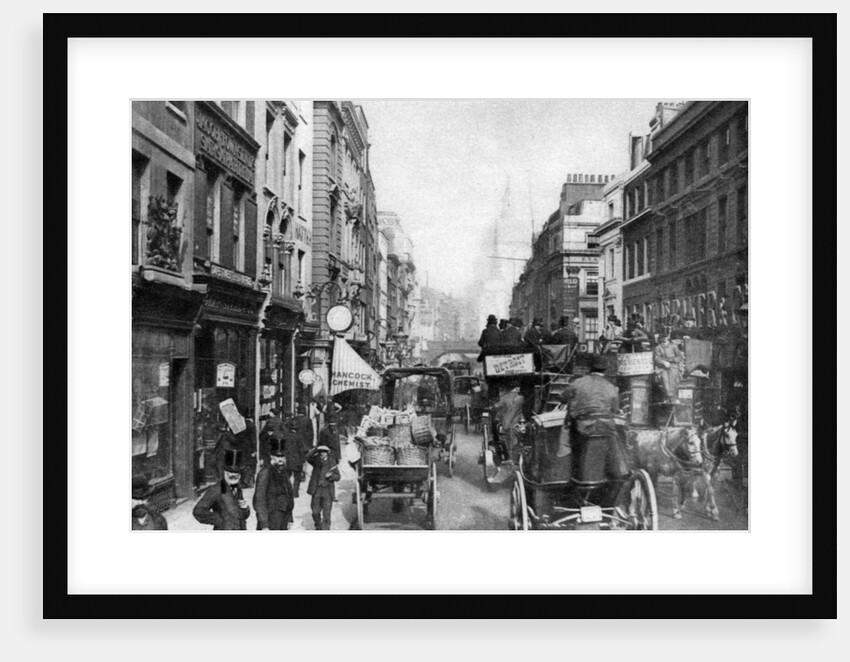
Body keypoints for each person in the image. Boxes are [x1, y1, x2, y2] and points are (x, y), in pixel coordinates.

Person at [560, 353, 629, 481]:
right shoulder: (612, 388)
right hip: (606, 427)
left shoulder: (578, 383)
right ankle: (618, 471)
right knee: (615, 443)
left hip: (583, 427)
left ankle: (568, 469)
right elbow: (615, 408)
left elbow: (563, 396)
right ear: (605, 369)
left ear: (589, 368)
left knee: (568, 438)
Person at [192, 448, 251, 530]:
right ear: (224, 473)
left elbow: (241, 516)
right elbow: (198, 511)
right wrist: (220, 520)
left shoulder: (238, 488)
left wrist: (245, 508)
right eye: (230, 473)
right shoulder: (216, 489)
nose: (233, 475)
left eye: (236, 473)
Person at [253, 436, 294, 530]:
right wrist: (264, 525)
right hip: (269, 521)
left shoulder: (284, 472)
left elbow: (288, 497)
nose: (281, 459)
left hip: (283, 520)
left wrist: (289, 518)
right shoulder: (265, 473)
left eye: (282, 456)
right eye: (278, 456)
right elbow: (259, 501)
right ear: (271, 456)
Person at [306, 445, 341, 530]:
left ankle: (325, 530)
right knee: (315, 512)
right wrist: (316, 448)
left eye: (324, 451)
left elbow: (338, 476)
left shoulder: (332, 462)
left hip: (327, 491)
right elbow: (307, 457)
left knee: (326, 514)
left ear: (327, 453)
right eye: (321, 451)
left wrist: (331, 476)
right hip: (316, 490)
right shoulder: (316, 461)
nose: (322, 453)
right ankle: (318, 526)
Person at [495, 381, 525, 463]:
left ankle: (511, 458)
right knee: (516, 441)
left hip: (507, 423)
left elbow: (497, 406)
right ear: (517, 388)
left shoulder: (504, 397)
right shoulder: (520, 398)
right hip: (517, 423)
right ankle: (515, 459)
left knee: (508, 441)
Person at [654, 332, 684, 402]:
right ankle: (668, 399)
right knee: (666, 383)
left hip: (673, 367)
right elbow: (656, 359)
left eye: (666, 337)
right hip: (663, 368)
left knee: (673, 383)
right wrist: (663, 362)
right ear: (660, 338)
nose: (664, 339)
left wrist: (672, 360)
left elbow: (679, 357)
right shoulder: (658, 347)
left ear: (668, 337)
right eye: (663, 337)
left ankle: (674, 400)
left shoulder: (673, 346)